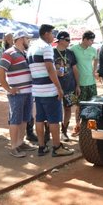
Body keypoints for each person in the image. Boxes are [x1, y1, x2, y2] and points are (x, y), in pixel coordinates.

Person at [27, 24, 74, 157]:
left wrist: (55, 72)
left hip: (37, 90)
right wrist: (59, 88)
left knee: (40, 119)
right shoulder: (46, 47)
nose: (53, 36)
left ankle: (42, 147)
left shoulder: (32, 48)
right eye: (52, 33)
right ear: (46, 33)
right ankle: (57, 147)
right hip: (49, 90)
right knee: (54, 120)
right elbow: (48, 68)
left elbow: (41, 68)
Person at [0, 30, 36, 158]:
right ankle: (14, 147)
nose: (28, 41)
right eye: (27, 39)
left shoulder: (24, 53)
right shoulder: (9, 53)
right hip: (17, 94)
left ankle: (20, 142)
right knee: (15, 120)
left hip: (28, 92)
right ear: (20, 39)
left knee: (25, 119)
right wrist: (8, 88)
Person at [53, 31, 80, 141]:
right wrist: (56, 72)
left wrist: (77, 85)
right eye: (68, 40)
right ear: (61, 40)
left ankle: (64, 132)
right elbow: (46, 69)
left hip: (70, 86)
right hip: (55, 87)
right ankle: (50, 133)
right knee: (54, 109)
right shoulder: (51, 52)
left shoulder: (70, 53)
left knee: (68, 109)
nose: (69, 42)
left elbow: (75, 69)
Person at [70, 30, 98, 136]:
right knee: (78, 106)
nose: (92, 42)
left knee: (93, 105)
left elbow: (96, 59)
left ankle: (90, 127)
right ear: (85, 39)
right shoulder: (73, 49)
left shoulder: (93, 50)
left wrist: (94, 70)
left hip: (91, 82)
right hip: (79, 83)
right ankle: (77, 126)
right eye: (91, 40)